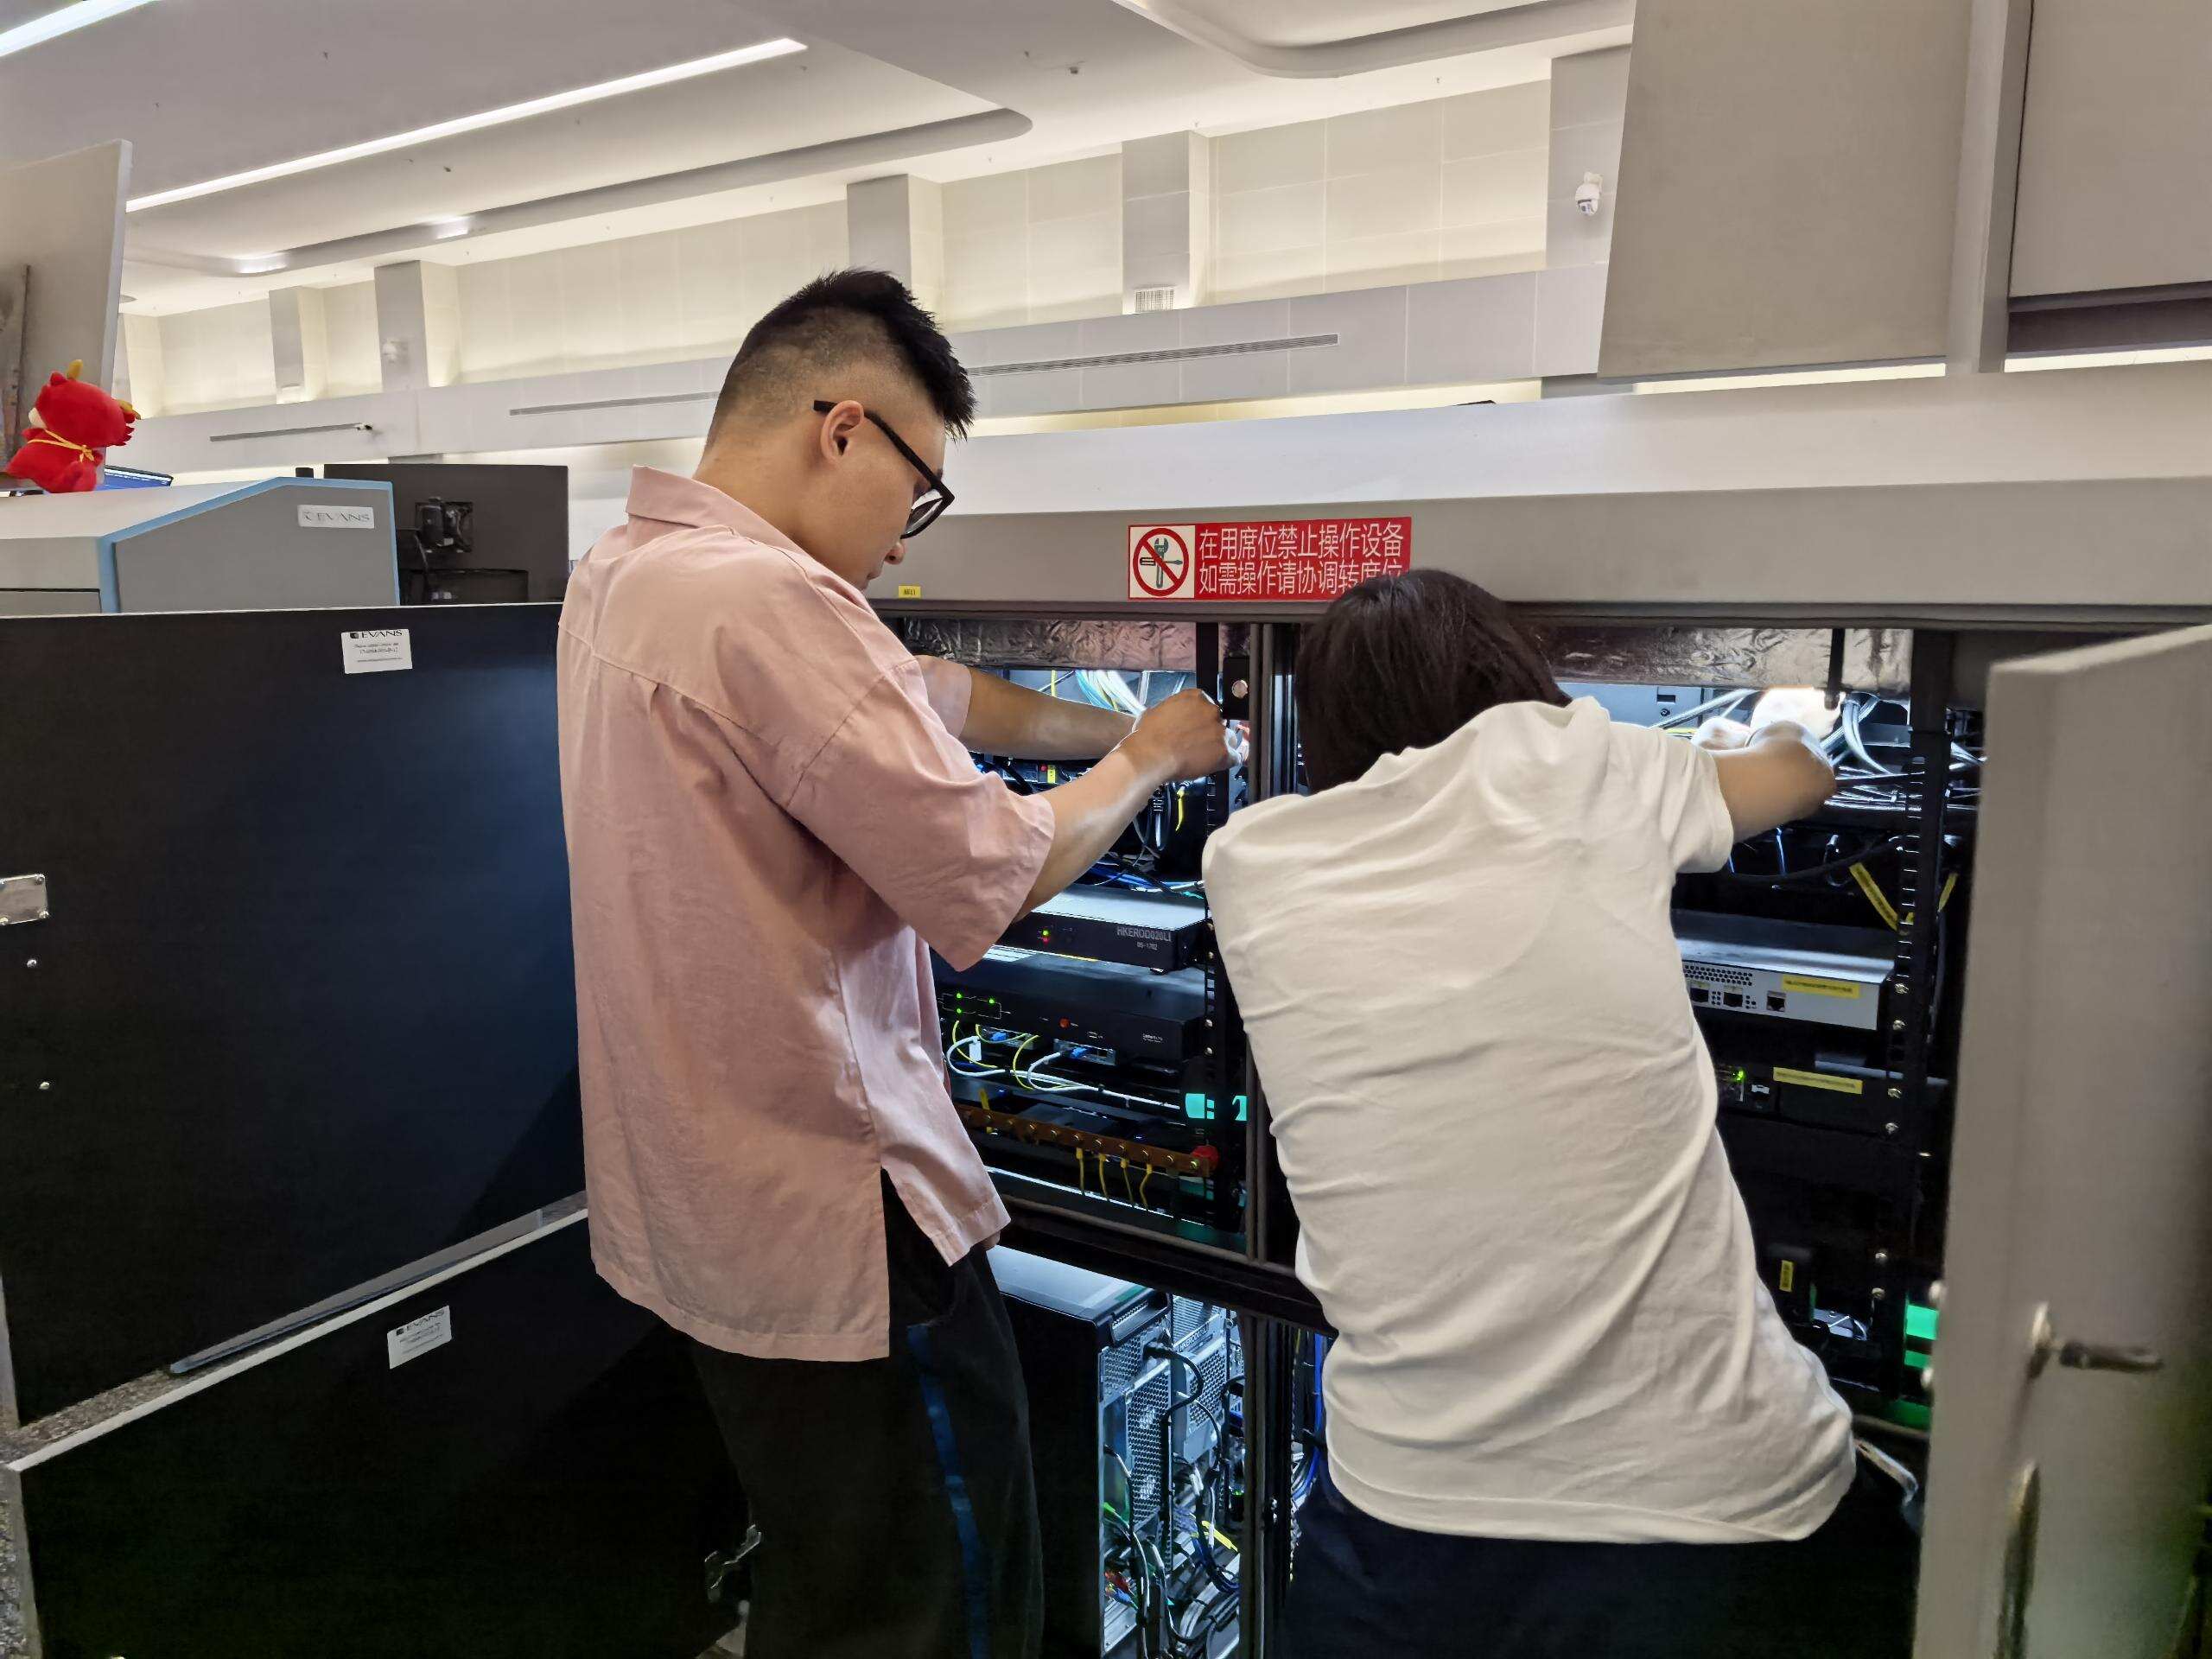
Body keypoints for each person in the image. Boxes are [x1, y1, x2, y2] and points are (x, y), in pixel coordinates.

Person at [556, 270, 1231, 1659]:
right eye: (919, 496)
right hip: (844, 1226)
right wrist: (1149, 762)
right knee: (940, 1606)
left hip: (710, 1212)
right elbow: (995, 871)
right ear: (844, 428)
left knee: (829, 1584)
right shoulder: (768, 601)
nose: (903, 543)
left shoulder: (627, 574)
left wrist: (1095, 725)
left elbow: (923, 697)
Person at [1204, 569, 1915, 1658]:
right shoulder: (1576, 764)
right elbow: (1802, 776)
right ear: (1508, 679)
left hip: (1398, 1515)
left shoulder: (1245, 861)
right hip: (1708, 1513)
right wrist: (1769, 719)